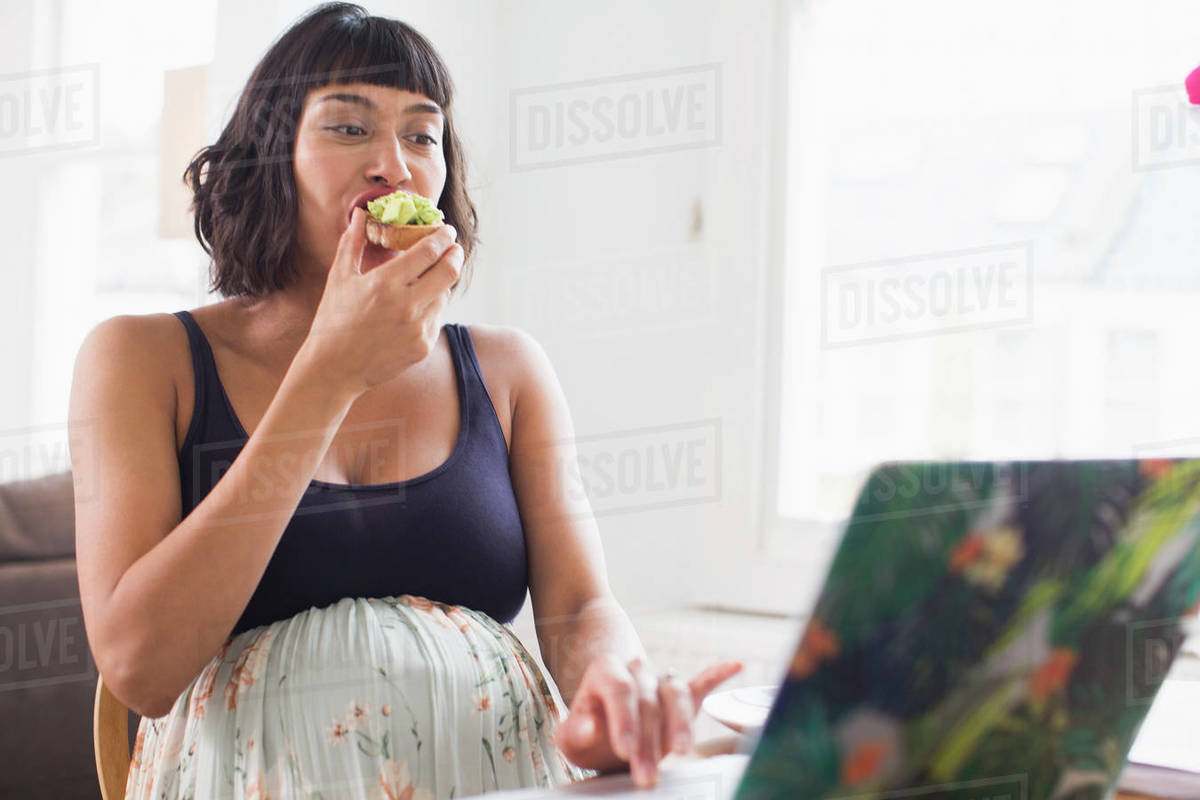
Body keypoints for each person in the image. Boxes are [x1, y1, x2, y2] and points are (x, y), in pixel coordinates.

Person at [68, 3, 742, 798]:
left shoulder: (508, 369)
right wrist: (328, 375)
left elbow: (582, 607)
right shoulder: (142, 358)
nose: (395, 163)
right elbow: (141, 667)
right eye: (349, 129)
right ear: (266, 158)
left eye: (422, 135)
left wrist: (615, 689)